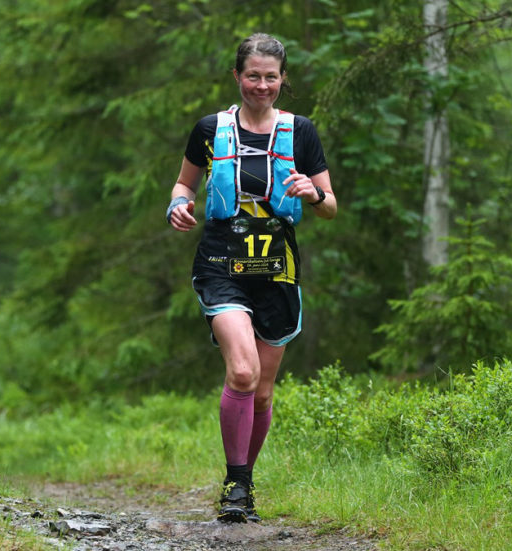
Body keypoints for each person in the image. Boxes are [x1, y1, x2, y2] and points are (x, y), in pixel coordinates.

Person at [166, 33, 337, 523]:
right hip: (221, 261)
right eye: (252, 76)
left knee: (262, 391)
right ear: (237, 77)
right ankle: (236, 485)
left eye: (271, 77)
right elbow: (184, 183)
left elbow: (329, 206)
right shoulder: (209, 129)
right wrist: (179, 205)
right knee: (243, 372)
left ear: (283, 79)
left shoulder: (301, 132)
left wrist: (312, 193)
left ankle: (243, 481)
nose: (262, 85)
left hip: (277, 267)